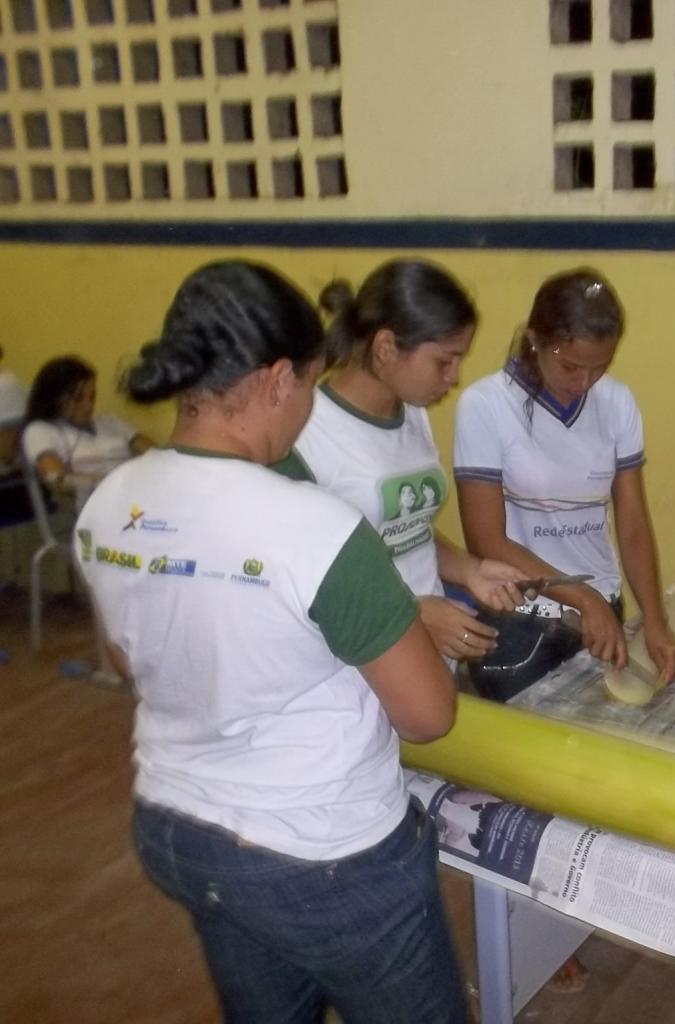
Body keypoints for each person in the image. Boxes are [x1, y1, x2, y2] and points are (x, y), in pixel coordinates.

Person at [76, 261, 469, 1023]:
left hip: (179, 830)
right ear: (280, 379)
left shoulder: (110, 502)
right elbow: (428, 715)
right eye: (311, 386)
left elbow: (127, 659)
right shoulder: (317, 529)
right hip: (325, 852)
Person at [278, 259, 524, 662]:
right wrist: (413, 613)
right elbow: (300, 576)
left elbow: (403, 530)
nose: (455, 377)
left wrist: (469, 570)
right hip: (361, 661)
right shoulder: (307, 433)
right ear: (386, 348)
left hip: (426, 652)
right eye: (444, 361)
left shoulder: (412, 413)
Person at [453, 268, 675, 701]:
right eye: (571, 366)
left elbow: (632, 523)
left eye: (600, 367)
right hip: (520, 619)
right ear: (536, 340)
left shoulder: (617, 403)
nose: (584, 383)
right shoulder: (486, 405)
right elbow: (485, 540)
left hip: (599, 614)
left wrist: (655, 620)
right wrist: (582, 597)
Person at [21, 355, 153, 498]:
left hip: (137, 492)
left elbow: (154, 453)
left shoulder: (109, 422)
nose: (88, 405)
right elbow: (56, 479)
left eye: (92, 397)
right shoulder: (40, 430)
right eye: (78, 398)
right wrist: (109, 484)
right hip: (97, 501)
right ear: (56, 399)